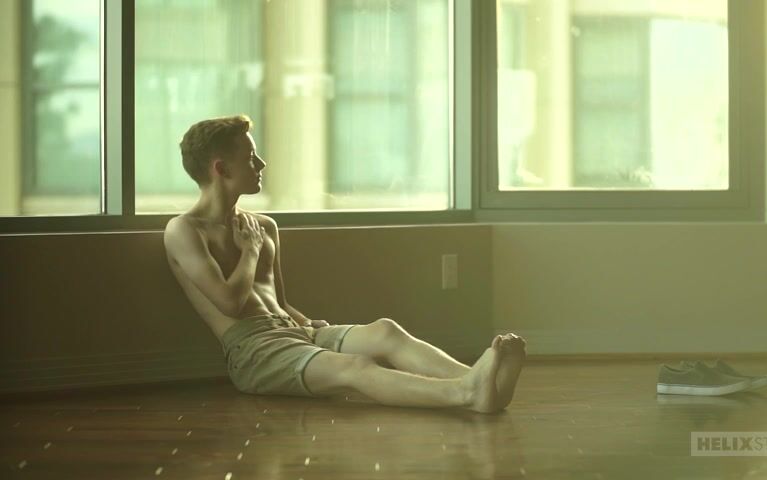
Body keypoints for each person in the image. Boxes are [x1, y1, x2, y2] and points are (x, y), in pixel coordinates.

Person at [163, 115, 526, 413]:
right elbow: (230, 303)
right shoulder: (185, 230)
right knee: (355, 367)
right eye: (250, 158)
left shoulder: (262, 226)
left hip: (296, 331)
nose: (261, 164)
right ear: (221, 168)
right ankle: (464, 392)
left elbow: (280, 302)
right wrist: (251, 252)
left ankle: (485, 384)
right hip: (256, 352)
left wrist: (307, 323)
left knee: (385, 331)